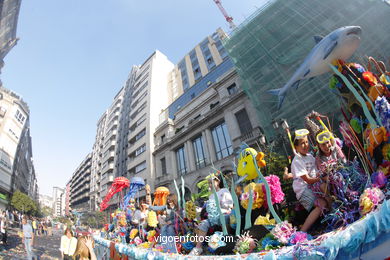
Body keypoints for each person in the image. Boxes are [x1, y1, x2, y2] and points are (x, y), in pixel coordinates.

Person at [290, 129, 328, 232]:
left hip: (313, 186)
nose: (305, 145)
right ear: (296, 147)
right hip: (303, 190)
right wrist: (322, 178)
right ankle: (302, 231)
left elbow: (318, 172)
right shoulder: (297, 160)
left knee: (327, 193)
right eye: (302, 143)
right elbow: (308, 180)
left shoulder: (310, 157)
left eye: (306, 142)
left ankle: (333, 216)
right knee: (321, 205)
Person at [189, 174, 233, 255]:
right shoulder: (211, 196)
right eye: (209, 183)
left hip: (224, 214)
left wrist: (219, 204)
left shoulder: (224, 191)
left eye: (211, 182)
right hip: (213, 217)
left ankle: (226, 242)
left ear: (218, 182)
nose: (210, 185)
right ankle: (198, 248)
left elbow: (230, 205)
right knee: (204, 223)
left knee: (224, 218)